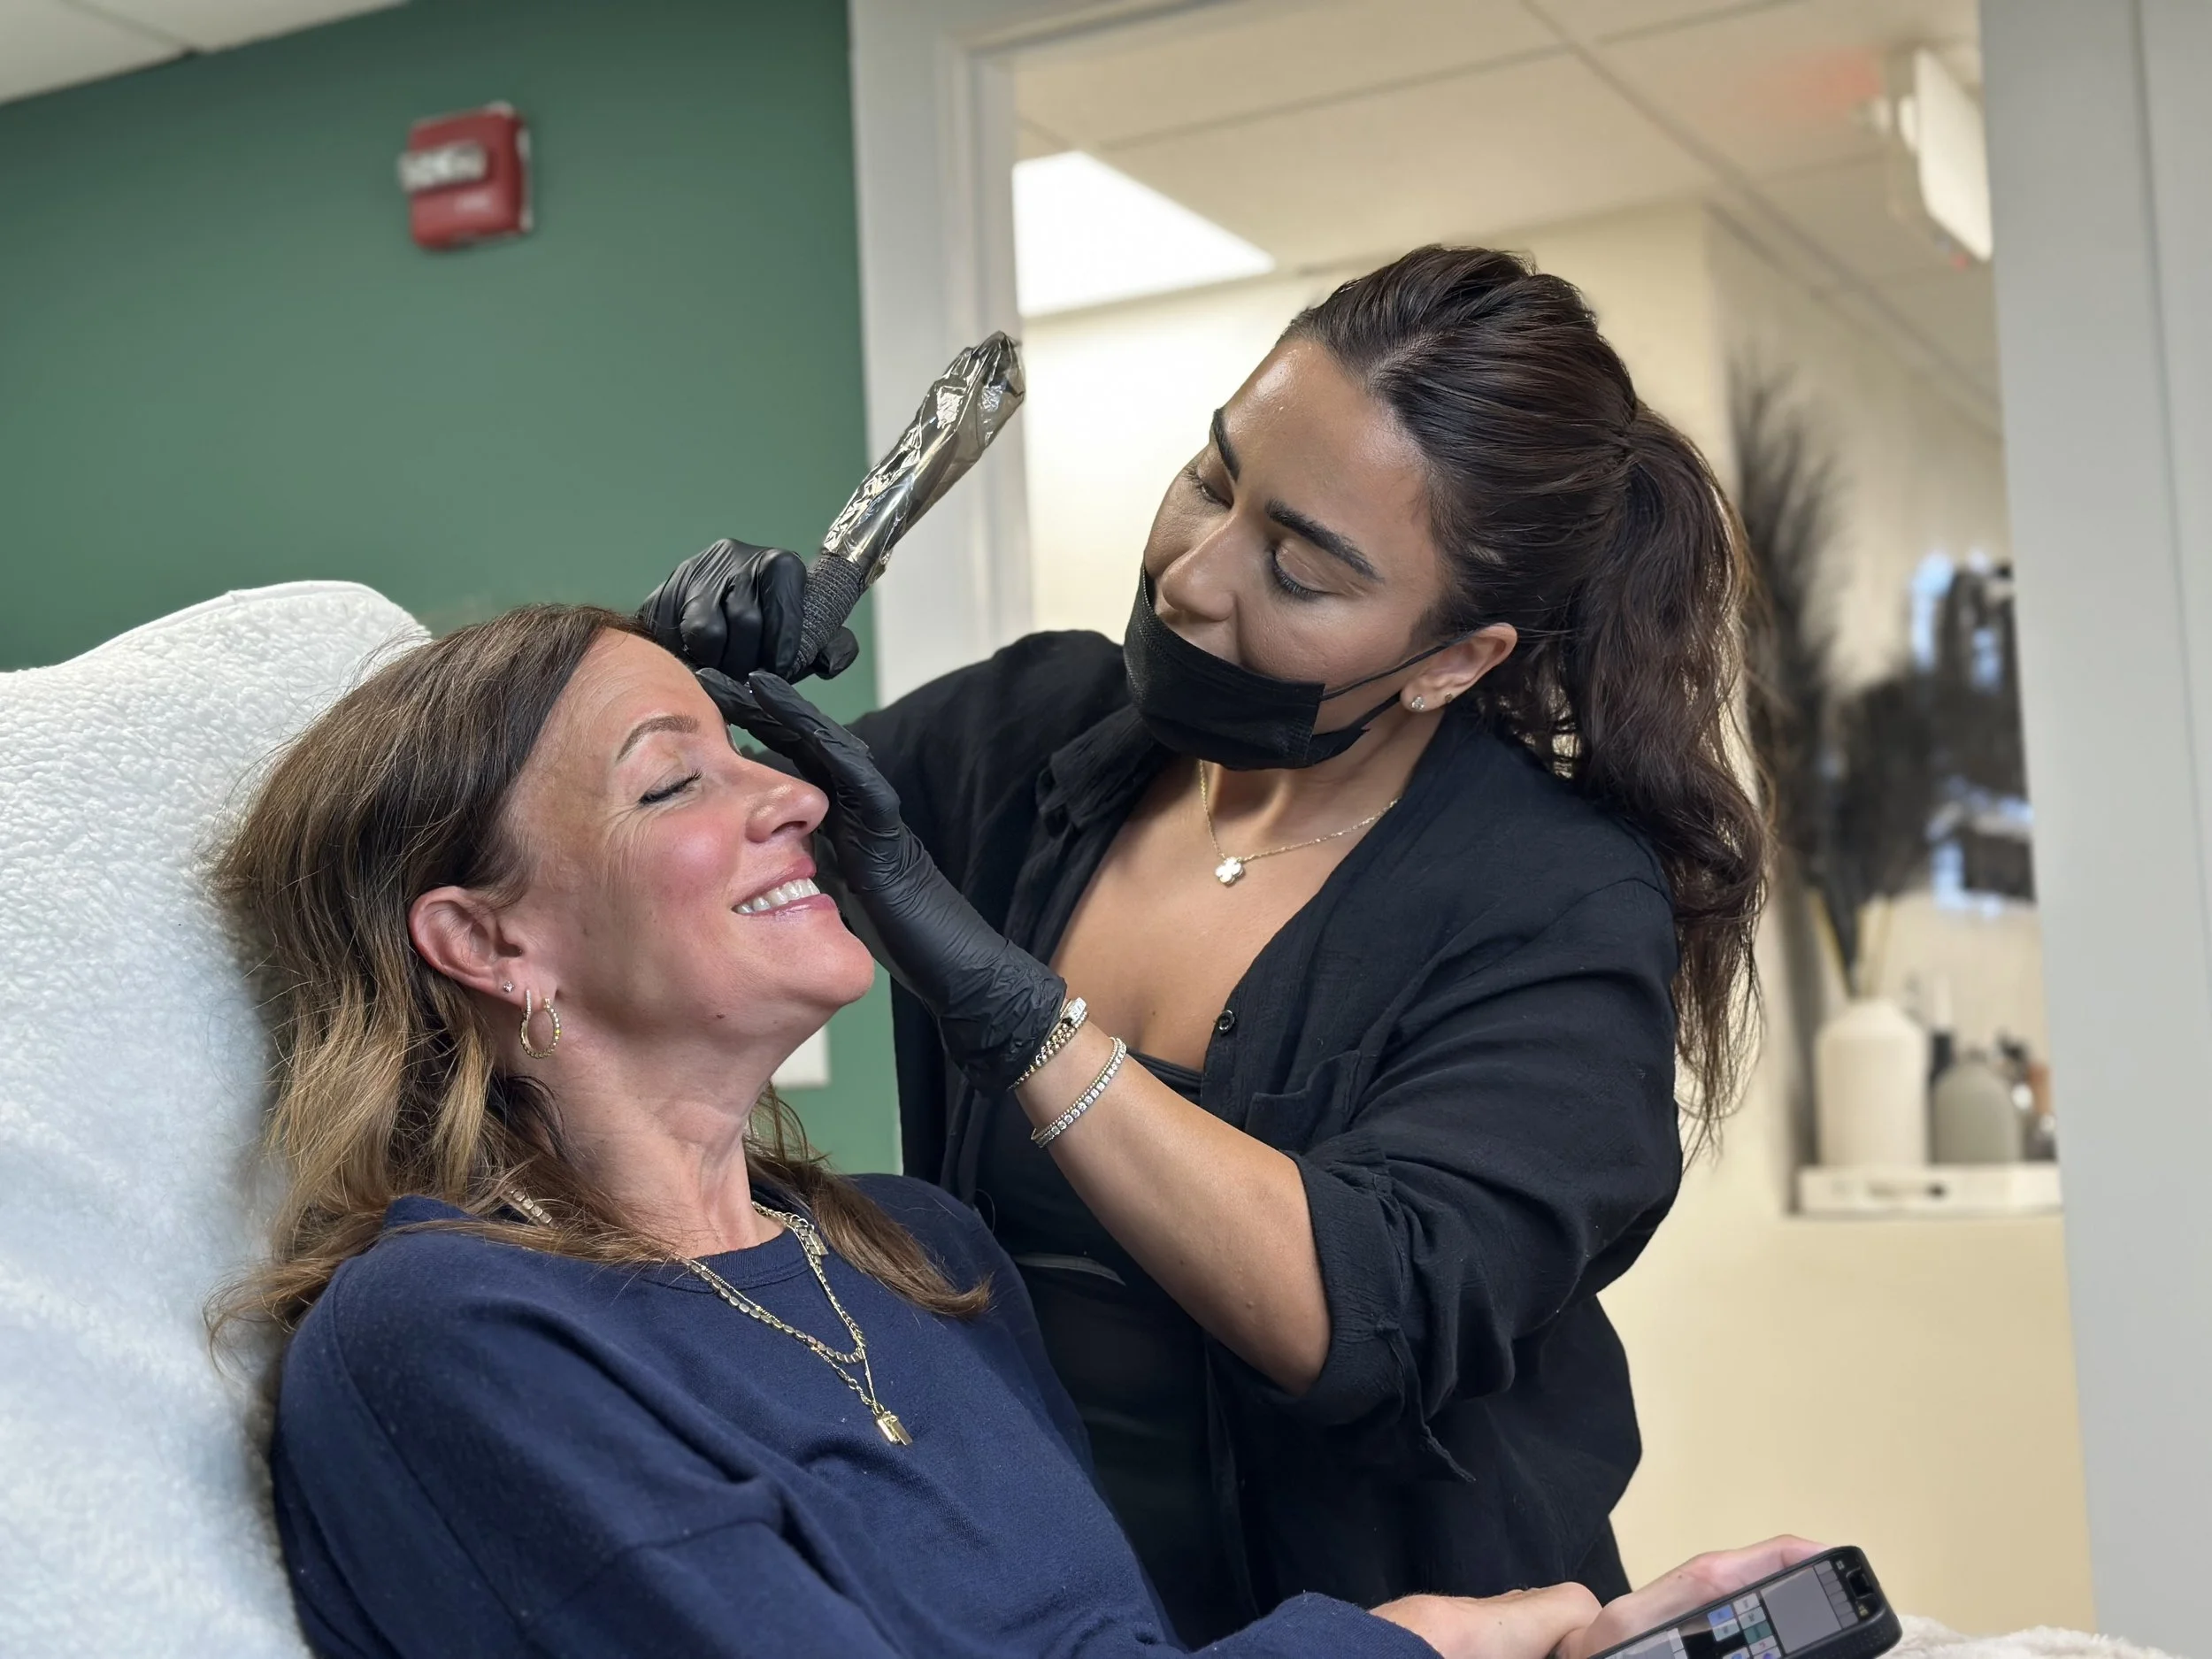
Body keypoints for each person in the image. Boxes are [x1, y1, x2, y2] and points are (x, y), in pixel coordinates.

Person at [216, 603, 1810, 1659]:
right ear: (485, 944)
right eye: (674, 781)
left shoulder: (920, 1256)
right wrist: (1404, 1645)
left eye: (746, 749)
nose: (796, 797)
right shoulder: (449, 1336)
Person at [644, 243, 1768, 1645]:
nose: (1190, 570)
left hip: (1412, 1632)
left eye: (1297, 569)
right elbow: (687, 868)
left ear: (1454, 658)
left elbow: (1367, 1310)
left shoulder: (1553, 899)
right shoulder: (1029, 729)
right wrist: (674, 685)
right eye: (1213, 476)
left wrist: (1030, 1027)